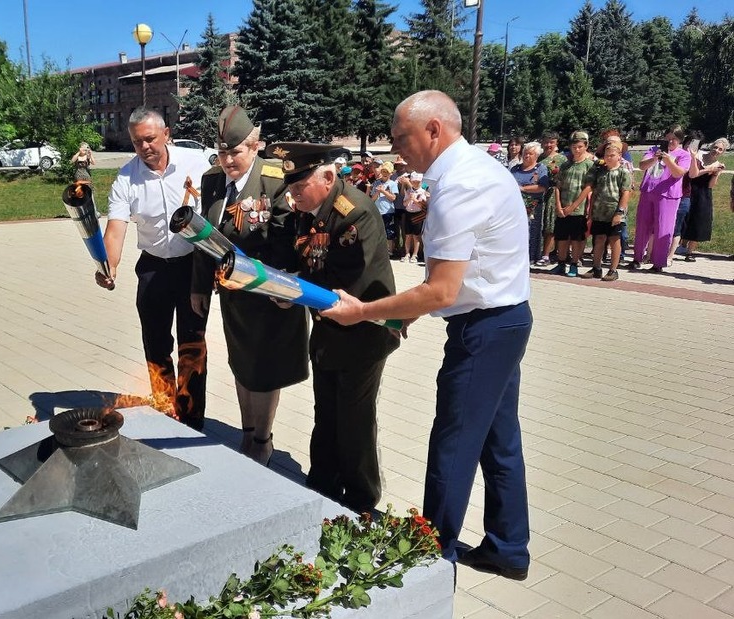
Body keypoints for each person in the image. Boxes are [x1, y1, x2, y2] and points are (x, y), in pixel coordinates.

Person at [321, 90, 533, 580]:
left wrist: (365, 312)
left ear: (434, 129)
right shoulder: (475, 169)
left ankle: (429, 561)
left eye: (401, 137)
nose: (397, 149)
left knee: (453, 444)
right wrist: (403, 315)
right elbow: (455, 284)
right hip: (504, 319)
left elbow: (440, 290)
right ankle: (508, 547)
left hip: (483, 330)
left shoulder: (459, 185)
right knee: (500, 441)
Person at [264, 141, 399, 514]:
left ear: (326, 177)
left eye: (298, 187)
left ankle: (360, 501)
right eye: (289, 189)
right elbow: (305, 259)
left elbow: (348, 284)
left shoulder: (354, 213)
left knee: (354, 420)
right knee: (326, 413)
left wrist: (295, 292)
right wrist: (287, 287)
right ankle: (323, 485)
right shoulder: (311, 210)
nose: (293, 196)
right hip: (327, 330)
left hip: (363, 333)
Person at [190, 105, 308, 465]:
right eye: (222, 152)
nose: (227, 160)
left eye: (235, 152)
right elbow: (203, 235)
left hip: (269, 295)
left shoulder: (273, 180)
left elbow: (290, 239)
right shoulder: (212, 180)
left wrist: (279, 285)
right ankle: (245, 431)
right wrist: (198, 286)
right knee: (241, 363)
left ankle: (262, 437)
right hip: (232, 295)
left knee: (265, 368)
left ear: (255, 146)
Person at [99, 108, 212, 430]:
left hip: (193, 266)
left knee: (192, 345)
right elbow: (116, 227)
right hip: (153, 268)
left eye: (150, 138)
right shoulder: (126, 178)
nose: (145, 146)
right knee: (156, 342)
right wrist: (109, 266)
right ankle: (166, 409)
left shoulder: (197, 164)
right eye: (137, 142)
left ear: (166, 134)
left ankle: (191, 418)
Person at [631, 126, 690, 273]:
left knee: (663, 228)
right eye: (668, 138)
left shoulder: (684, 155)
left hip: (668, 195)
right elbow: (642, 166)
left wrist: (668, 160)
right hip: (648, 191)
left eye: (674, 140)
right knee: (642, 226)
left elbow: (678, 173)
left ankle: (658, 262)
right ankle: (637, 258)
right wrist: (655, 157)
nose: (670, 142)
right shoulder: (653, 150)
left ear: (680, 140)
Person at [577, 142, 632, 281]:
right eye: (607, 155)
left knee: (614, 240)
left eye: (612, 155)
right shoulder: (600, 171)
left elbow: (626, 193)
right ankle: (596, 268)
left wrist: (619, 212)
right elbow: (594, 191)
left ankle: (613, 270)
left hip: (614, 212)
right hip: (599, 212)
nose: (608, 158)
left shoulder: (623, 172)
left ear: (619, 156)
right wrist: (591, 212)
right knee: (599, 239)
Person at [549, 132, 594, 277]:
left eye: (580, 147)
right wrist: (558, 205)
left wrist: (574, 206)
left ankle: (574, 264)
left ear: (586, 146)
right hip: (563, 207)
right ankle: (561, 263)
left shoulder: (589, 165)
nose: (577, 150)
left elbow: (588, 187)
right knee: (561, 238)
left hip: (578, 210)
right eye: (574, 147)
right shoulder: (565, 165)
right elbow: (558, 186)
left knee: (576, 239)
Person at [682, 137, 728, 262]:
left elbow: (711, 185)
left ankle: (689, 252)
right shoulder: (699, 155)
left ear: (723, 152)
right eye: (715, 147)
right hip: (690, 189)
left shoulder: (718, 165)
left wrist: (716, 174)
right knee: (685, 217)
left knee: (699, 221)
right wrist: (708, 170)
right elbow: (693, 174)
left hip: (704, 194)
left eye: (720, 149)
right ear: (711, 146)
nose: (716, 150)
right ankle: (681, 244)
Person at [510, 142, 549, 263]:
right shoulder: (515, 168)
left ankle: (531, 257)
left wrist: (522, 188)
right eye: (525, 153)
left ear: (536, 155)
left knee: (532, 231)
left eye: (530, 154)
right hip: (516, 205)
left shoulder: (541, 168)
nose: (527, 156)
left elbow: (542, 187)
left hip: (533, 205)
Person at [535, 132, 568, 266]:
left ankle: (546, 254)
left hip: (554, 193)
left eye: (551, 142)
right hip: (538, 192)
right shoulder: (539, 158)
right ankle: (536, 251)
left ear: (556, 143)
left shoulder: (562, 159)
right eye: (546, 142)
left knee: (550, 225)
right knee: (538, 223)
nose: (549, 145)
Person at [401, 171, 428, 263]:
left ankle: (415, 254)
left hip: (418, 214)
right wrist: (409, 198)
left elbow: (422, 206)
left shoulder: (423, 192)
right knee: (408, 235)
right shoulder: (408, 191)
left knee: (416, 235)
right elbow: (404, 204)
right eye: (414, 182)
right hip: (409, 213)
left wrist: (415, 200)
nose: (416, 183)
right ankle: (407, 253)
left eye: (418, 182)